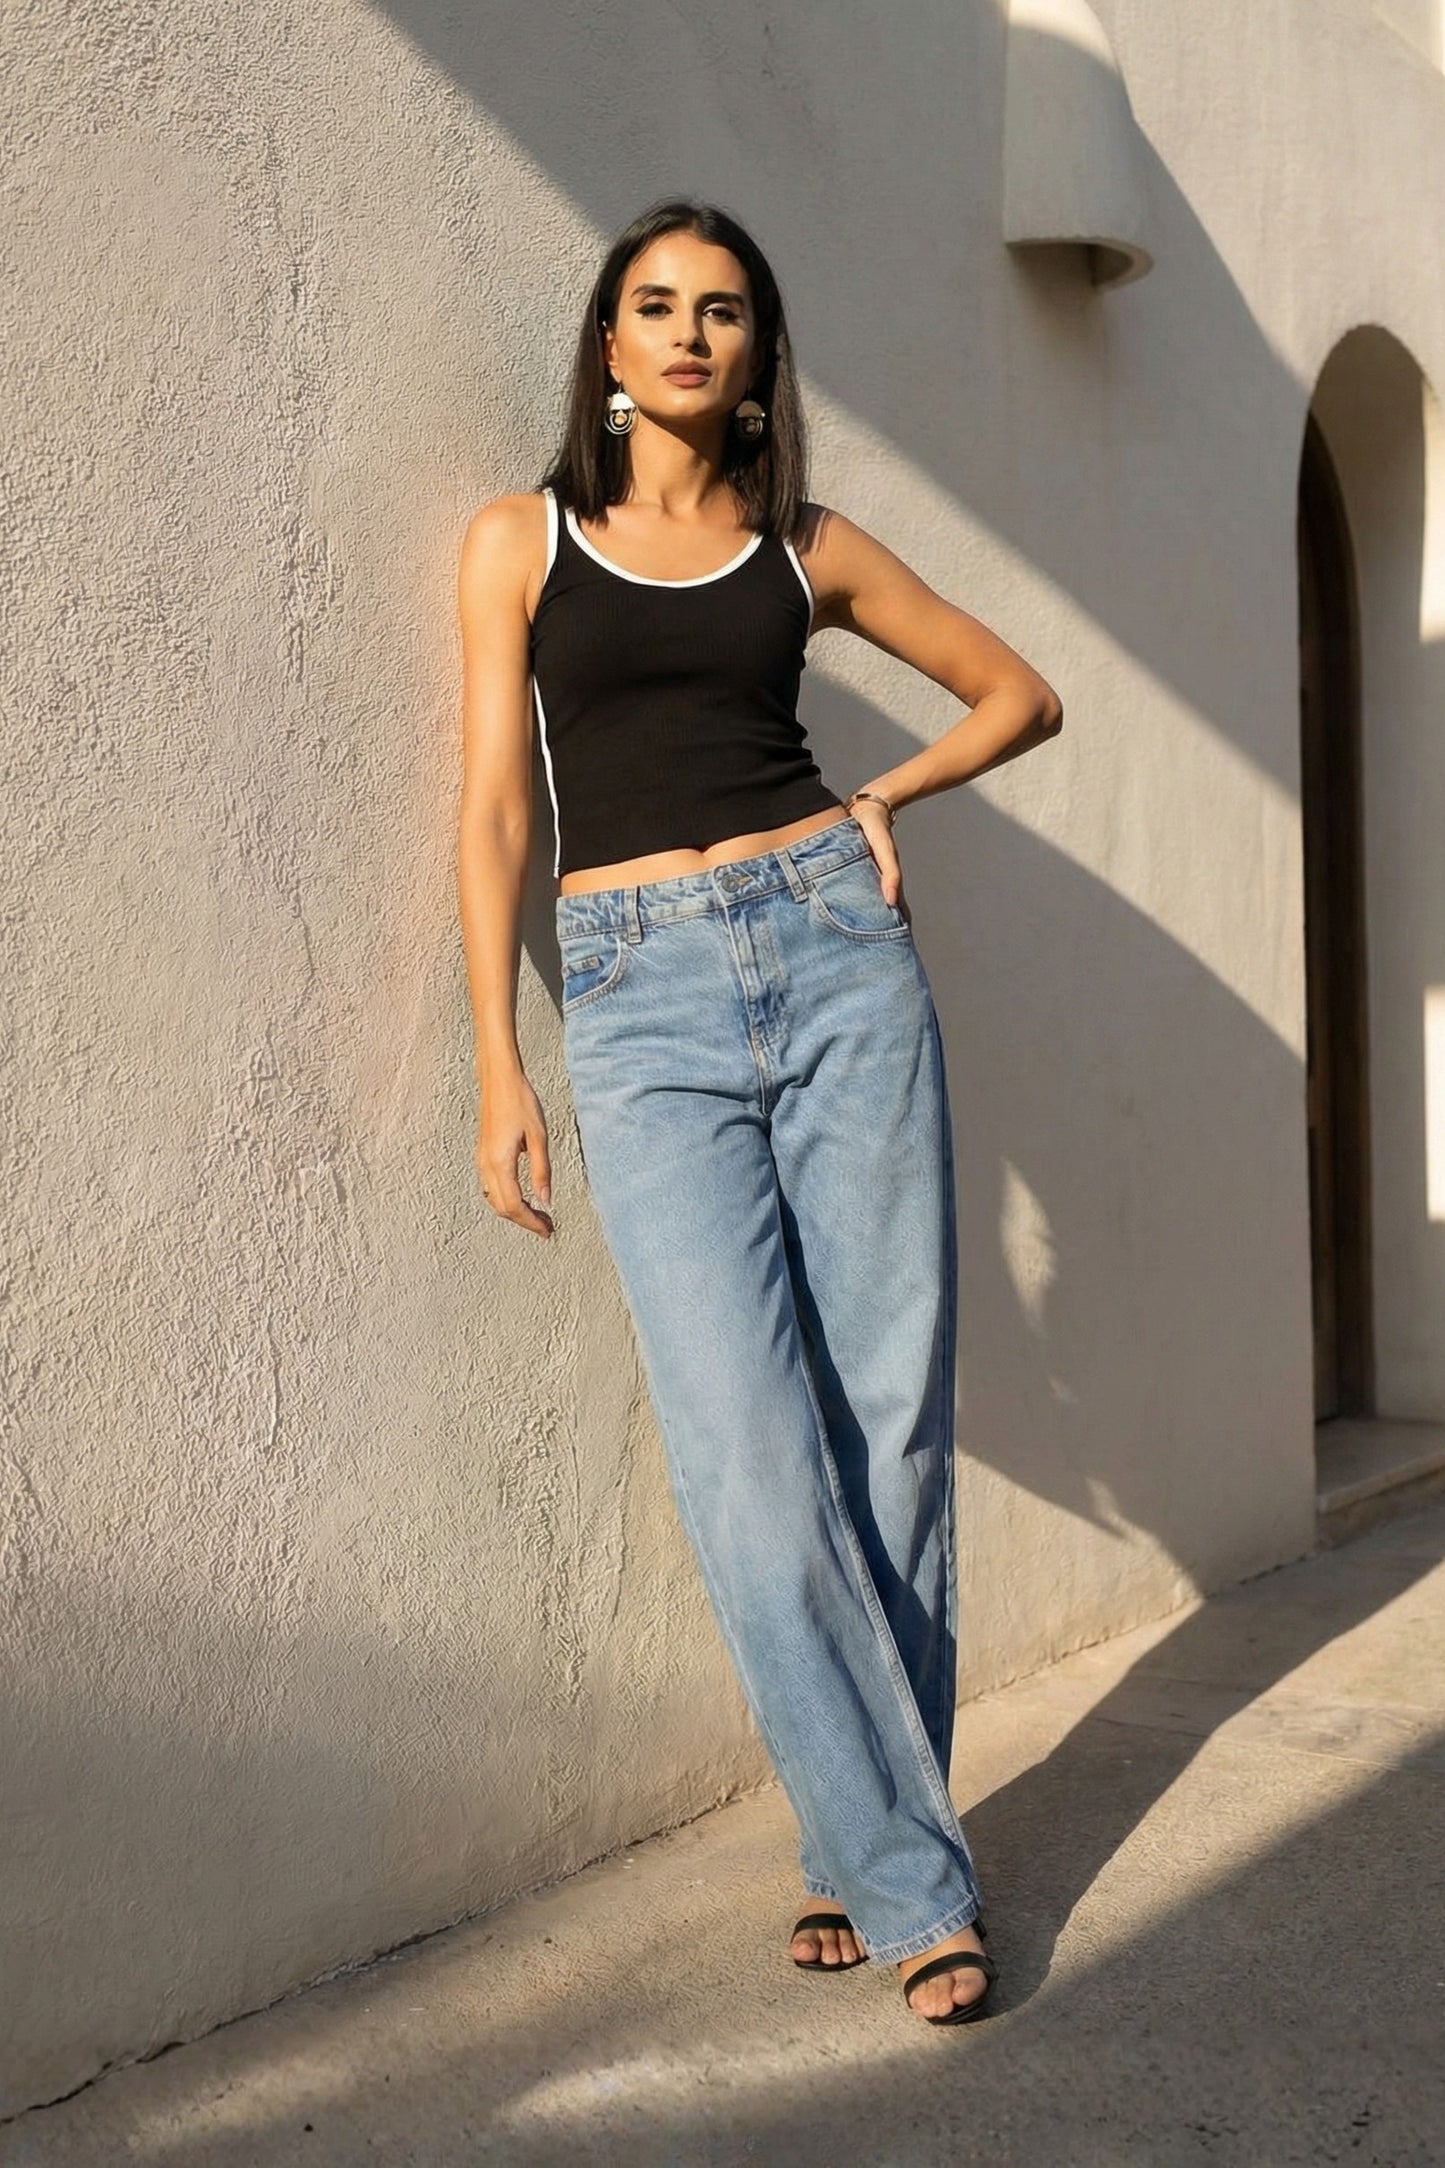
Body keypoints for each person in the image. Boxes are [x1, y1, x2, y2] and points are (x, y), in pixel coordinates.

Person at [456, 198, 1062, 2027]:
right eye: (653, 305)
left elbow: (1018, 694)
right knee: (745, 1457)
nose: (686, 332)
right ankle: (901, 1865)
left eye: (720, 311)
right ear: (607, 345)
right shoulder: (521, 541)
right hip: (635, 995)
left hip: (834, 955)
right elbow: (498, 806)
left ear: (755, 357)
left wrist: (884, 799)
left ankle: (868, 1862)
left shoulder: (806, 548)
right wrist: (496, 1055)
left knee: (890, 1426)